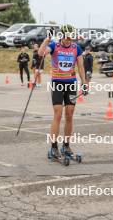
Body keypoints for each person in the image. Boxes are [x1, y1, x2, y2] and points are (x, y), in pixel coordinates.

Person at [38, 24, 88, 158]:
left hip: (71, 83)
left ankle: (66, 145)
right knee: (58, 114)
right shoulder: (54, 45)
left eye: (71, 38)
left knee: (70, 114)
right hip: (58, 83)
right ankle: (54, 147)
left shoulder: (76, 48)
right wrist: (46, 40)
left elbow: (81, 67)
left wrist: (84, 83)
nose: (68, 40)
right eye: (66, 37)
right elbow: (41, 53)